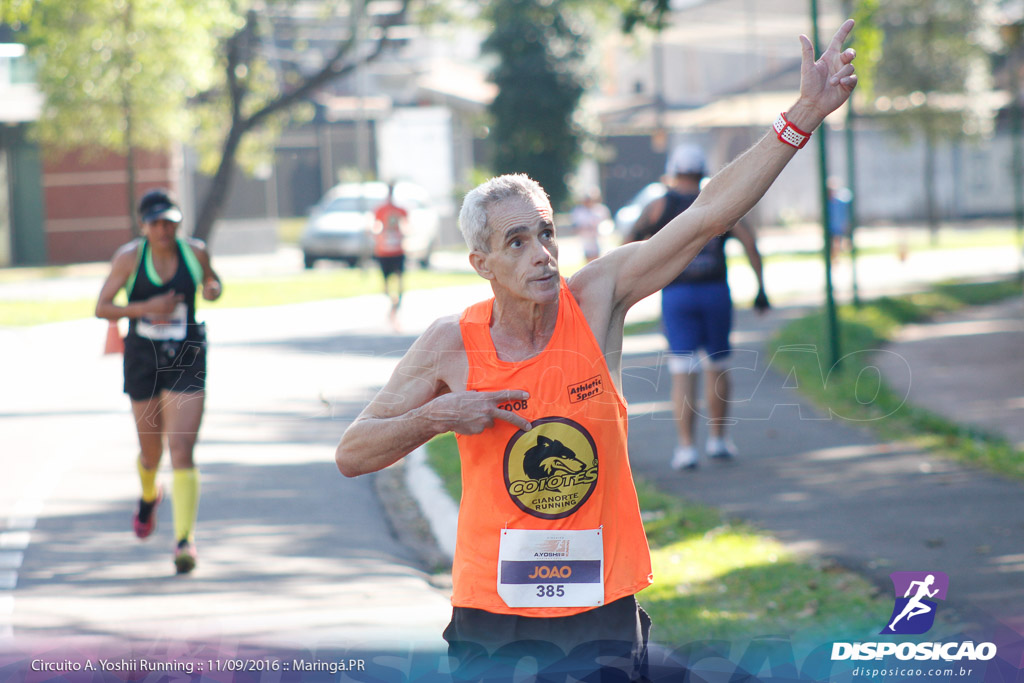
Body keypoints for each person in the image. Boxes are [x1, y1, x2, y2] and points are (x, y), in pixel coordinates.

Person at [335, 19, 857, 680]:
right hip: (494, 616)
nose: (542, 254)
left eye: (545, 234)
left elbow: (706, 217)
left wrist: (803, 114)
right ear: (482, 262)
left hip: (598, 604)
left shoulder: (597, 297)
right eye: (516, 242)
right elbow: (353, 451)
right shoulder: (450, 342)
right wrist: (441, 415)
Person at [95, 189, 222, 574]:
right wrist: (147, 308)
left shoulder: (194, 252)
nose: (164, 229)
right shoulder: (130, 258)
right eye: (156, 223)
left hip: (186, 354)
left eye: (170, 222)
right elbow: (102, 307)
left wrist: (212, 289)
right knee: (152, 454)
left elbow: (213, 283)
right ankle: (150, 494)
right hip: (143, 357)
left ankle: (185, 541)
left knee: (182, 447)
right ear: (143, 225)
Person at [625, 144, 770, 471]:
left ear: (674, 171)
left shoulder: (659, 205)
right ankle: (718, 440)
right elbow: (750, 243)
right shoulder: (720, 203)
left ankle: (686, 448)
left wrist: (628, 289)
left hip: (677, 295)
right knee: (717, 365)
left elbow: (627, 245)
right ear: (704, 171)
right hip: (715, 292)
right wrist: (761, 288)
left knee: (682, 370)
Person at [372, 182, 409, 323]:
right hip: (384, 251)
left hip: (397, 250)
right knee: (386, 285)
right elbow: (375, 225)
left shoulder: (401, 210)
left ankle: (397, 302)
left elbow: (406, 225)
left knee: (399, 278)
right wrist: (377, 235)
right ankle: (393, 301)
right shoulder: (380, 210)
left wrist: (403, 234)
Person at [570, 188, 611, 262]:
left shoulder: (600, 210)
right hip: (586, 239)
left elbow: (607, 224)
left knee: (600, 257)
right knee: (589, 258)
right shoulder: (579, 211)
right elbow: (575, 226)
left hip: (598, 238)